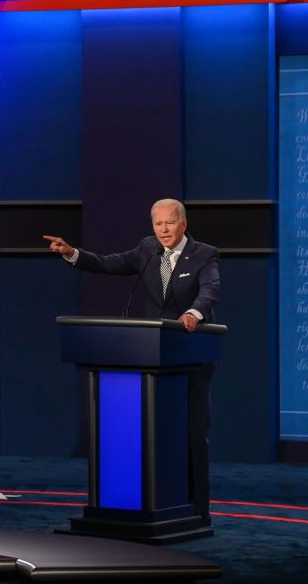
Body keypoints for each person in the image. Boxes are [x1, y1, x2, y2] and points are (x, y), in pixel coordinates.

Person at [43, 198, 219, 519]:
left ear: (184, 224)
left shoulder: (204, 254)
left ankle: (197, 508)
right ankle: (154, 502)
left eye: (169, 223)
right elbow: (109, 263)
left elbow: (210, 289)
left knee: (191, 430)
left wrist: (195, 311)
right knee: (153, 432)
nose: (162, 230)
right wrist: (72, 253)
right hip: (154, 356)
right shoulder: (147, 249)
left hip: (191, 356)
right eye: (157, 223)